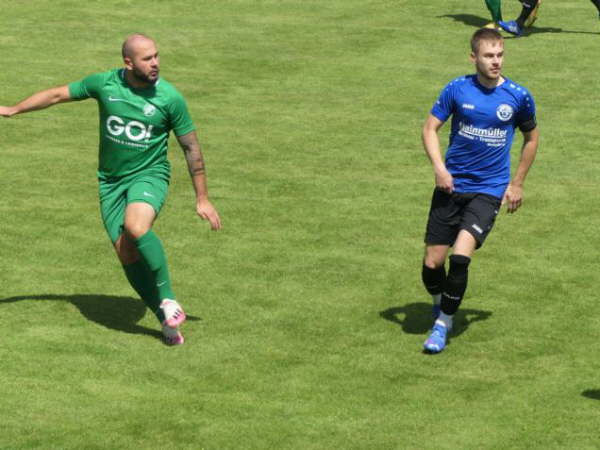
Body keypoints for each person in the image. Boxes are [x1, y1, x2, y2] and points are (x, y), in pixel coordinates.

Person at [0, 33, 221, 346]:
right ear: (128, 63)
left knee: (136, 227)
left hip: (149, 175)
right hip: (111, 182)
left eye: (157, 56)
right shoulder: (105, 84)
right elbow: (56, 95)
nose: (156, 63)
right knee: (126, 251)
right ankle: (166, 322)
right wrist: (12, 109)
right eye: (147, 58)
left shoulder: (170, 98)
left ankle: (169, 299)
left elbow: (191, 149)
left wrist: (203, 198)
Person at [420, 28, 539, 354]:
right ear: (474, 57)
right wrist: (439, 169)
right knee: (433, 265)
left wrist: (517, 183)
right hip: (451, 186)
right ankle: (439, 302)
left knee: (460, 258)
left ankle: (443, 324)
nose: (496, 61)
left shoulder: (518, 96)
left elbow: (532, 138)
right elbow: (430, 128)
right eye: (489, 55)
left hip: (488, 191)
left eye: (500, 54)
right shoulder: (457, 89)